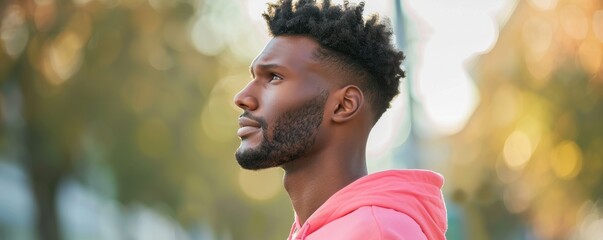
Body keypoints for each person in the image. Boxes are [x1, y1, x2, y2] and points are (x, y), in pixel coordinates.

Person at [233, 0, 447, 239]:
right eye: (254, 77)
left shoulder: (374, 232)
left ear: (343, 105)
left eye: (274, 77)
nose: (242, 97)